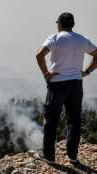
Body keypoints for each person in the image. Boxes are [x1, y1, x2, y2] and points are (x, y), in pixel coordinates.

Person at [35, 12, 97, 164]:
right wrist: (87, 72)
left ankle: (49, 156)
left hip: (57, 83)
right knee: (74, 120)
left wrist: (46, 73)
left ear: (59, 24)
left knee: (51, 120)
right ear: (72, 24)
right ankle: (73, 156)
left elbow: (39, 55)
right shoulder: (82, 39)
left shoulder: (55, 38)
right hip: (76, 83)